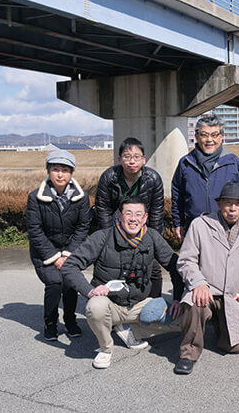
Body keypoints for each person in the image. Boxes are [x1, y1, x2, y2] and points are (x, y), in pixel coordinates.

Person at [61, 196, 183, 369]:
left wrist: (177, 298)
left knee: (186, 319)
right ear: (119, 215)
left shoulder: (152, 237)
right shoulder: (102, 237)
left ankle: (131, 331)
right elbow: (70, 266)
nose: (133, 219)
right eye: (128, 213)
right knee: (95, 306)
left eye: (138, 214)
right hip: (111, 304)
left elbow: (175, 267)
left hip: (139, 303)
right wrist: (90, 291)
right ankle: (105, 348)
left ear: (145, 218)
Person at [174, 182, 239, 375]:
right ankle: (188, 354)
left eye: (238, 204)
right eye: (228, 203)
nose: (232, 208)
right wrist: (198, 283)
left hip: (234, 295)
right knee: (194, 304)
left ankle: (218, 328)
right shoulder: (200, 225)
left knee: (234, 347)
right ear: (219, 204)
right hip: (206, 290)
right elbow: (186, 260)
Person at [26, 150, 91, 341]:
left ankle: (70, 320)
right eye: (55, 169)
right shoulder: (35, 197)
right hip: (44, 252)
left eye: (65, 170)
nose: (60, 174)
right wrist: (55, 256)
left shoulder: (81, 197)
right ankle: (50, 322)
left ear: (72, 172)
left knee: (70, 282)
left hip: (71, 250)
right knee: (55, 282)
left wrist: (68, 254)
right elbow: (35, 231)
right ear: (48, 171)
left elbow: (82, 226)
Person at [95, 137, 165, 298]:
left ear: (144, 159)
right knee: (112, 266)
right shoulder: (109, 177)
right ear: (120, 159)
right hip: (117, 228)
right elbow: (103, 209)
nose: (131, 161)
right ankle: (113, 304)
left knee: (153, 267)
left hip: (144, 229)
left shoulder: (153, 179)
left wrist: (152, 240)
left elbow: (157, 212)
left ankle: (153, 304)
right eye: (127, 157)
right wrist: (109, 238)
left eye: (136, 157)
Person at [171, 115, 239, 240]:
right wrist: (178, 222)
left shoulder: (233, 162)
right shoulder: (185, 163)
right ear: (197, 136)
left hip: (227, 227)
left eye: (214, 135)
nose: (209, 140)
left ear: (221, 136)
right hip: (194, 227)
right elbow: (177, 196)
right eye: (204, 134)